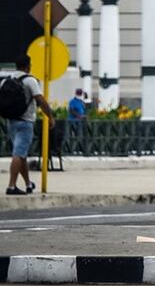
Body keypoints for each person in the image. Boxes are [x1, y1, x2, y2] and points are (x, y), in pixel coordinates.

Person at [4, 54, 55, 195]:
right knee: (19, 154)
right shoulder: (30, 80)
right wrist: (50, 117)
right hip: (25, 122)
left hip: (11, 121)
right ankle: (11, 186)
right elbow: (41, 100)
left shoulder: (8, 79)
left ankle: (28, 184)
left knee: (22, 155)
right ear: (28, 65)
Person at [67, 87, 90, 153]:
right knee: (74, 137)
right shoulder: (72, 101)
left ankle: (80, 149)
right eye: (79, 93)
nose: (80, 94)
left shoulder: (81, 102)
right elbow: (72, 111)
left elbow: (86, 106)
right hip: (73, 121)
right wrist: (80, 116)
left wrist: (86, 95)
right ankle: (72, 149)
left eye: (81, 93)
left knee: (80, 136)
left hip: (80, 122)